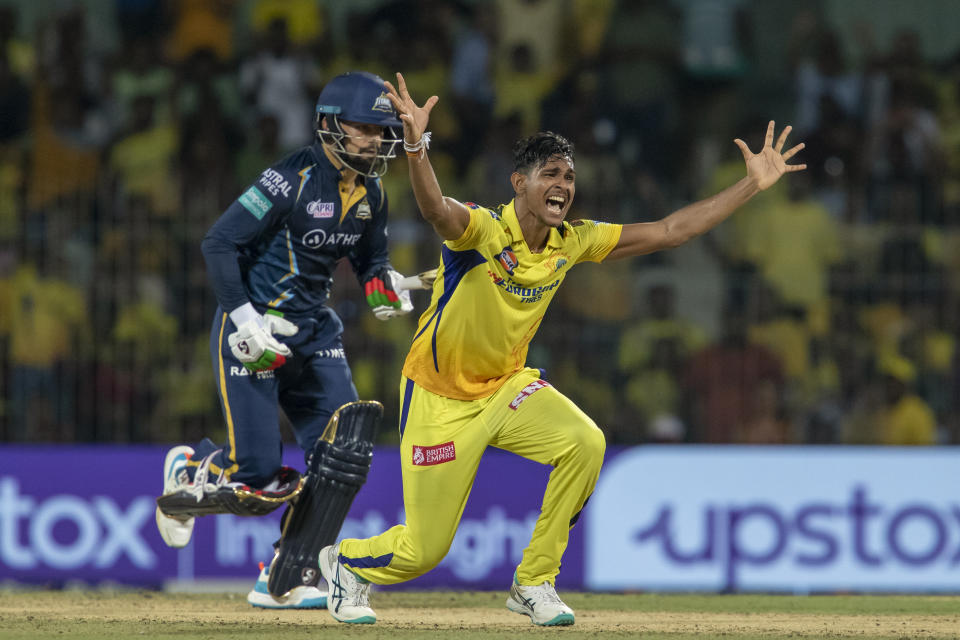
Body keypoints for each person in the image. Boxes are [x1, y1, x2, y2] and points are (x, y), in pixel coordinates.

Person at [313, 72, 806, 627]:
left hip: (507, 388)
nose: (565, 186)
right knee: (423, 552)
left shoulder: (573, 240)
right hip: (439, 399)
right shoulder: (481, 231)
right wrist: (415, 145)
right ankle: (347, 564)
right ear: (518, 183)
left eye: (570, 178)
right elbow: (435, 210)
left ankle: (535, 580)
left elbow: (670, 230)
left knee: (584, 442)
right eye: (552, 174)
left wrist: (751, 186)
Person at [155, 71, 416, 609]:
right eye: (364, 127)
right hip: (255, 328)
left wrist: (380, 288)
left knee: (344, 450)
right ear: (328, 125)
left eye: (380, 129)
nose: (375, 138)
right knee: (255, 480)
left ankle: (286, 576)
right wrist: (246, 319)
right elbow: (219, 242)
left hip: (314, 331)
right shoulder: (289, 178)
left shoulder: (373, 191)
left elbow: (370, 259)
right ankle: (192, 469)